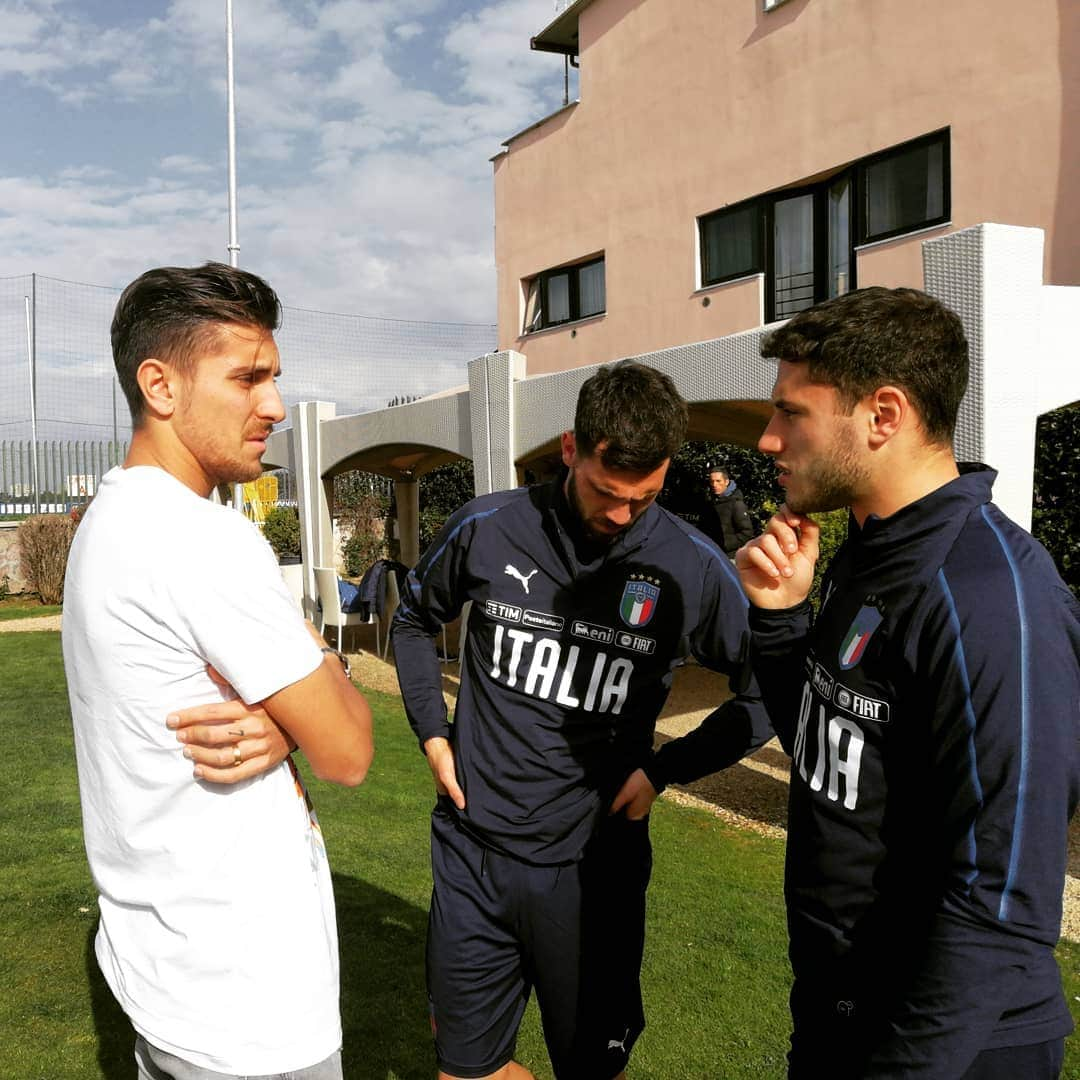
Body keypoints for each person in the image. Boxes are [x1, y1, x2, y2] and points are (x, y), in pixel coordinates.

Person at [392, 361, 773, 1080]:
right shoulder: (488, 525)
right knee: (464, 1072)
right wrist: (432, 732)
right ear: (571, 448)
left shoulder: (689, 564)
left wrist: (665, 770)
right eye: (607, 493)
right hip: (476, 853)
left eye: (646, 497)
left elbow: (773, 690)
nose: (623, 516)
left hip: (594, 869)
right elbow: (413, 619)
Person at [737, 286, 1080, 1079]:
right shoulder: (866, 550)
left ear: (882, 415)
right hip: (837, 1009)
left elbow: (1004, 898)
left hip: (953, 1046)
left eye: (793, 413)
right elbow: (832, 756)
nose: (767, 437)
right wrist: (782, 624)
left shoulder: (993, 597)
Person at [62, 262, 374, 1080]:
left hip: (165, 974)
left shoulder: (109, 516)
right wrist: (312, 693)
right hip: (246, 1007)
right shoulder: (201, 538)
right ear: (159, 385)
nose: (272, 405)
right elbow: (349, 750)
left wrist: (283, 720)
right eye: (247, 378)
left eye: (274, 377)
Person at [698, 464, 755, 558]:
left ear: (726, 482)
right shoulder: (710, 503)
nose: (714, 484)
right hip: (711, 554)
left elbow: (747, 532)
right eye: (712, 481)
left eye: (718, 481)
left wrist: (724, 544)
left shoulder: (736, 504)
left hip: (729, 557)